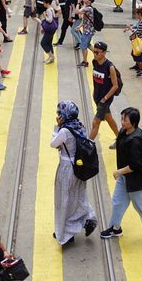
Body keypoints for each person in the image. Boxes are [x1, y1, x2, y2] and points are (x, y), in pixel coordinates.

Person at [99, 108, 142, 242]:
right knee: (118, 201)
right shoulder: (125, 132)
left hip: (134, 179)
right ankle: (115, 227)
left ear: (133, 123)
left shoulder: (136, 141)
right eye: (122, 118)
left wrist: (119, 172)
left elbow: (135, 165)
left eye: (125, 119)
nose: (122, 121)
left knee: (141, 204)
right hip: (126, 177)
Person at [51, 101, 98, 244]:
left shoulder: (64, 130)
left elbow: (53, 143)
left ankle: (66, 233)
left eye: (60, 113)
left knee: (64, 199)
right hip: (79, 167)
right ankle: (88, 217)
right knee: (78, 196)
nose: (58, 115)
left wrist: (57, 127)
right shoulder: (79, 126)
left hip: (67, 168)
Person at [88, 42, 120, 145]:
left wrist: (105, 98)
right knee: (109, 118)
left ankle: (87, 145)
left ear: (104, 53)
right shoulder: (95, 62)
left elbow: (115, 86)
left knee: (95, 122)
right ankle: (120, 139)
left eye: (97, 52)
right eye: (94, 52)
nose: (95, 54)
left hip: (104, 100)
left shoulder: (110, 67)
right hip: (97, 97)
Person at [76, 0, 97, 67]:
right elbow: (85, 19)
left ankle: (85, 62)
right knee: (88, 45)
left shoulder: (88, 8)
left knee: (83, 46)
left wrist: (78, 2)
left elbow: (77, 12)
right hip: (89, 30)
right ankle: (98, 54)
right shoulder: (87, 8)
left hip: (88, 31)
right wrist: (80, 26)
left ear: (89, 1)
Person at [39, 0, 58, 64]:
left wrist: (45, 16)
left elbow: (50, 20)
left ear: (47, 3)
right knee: (49, 43)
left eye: (44, 3)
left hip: (49, 29)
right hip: (52, 28)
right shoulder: (52, 9)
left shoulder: (48, 10)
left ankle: (51, 56)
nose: (43, 4)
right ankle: (51, 57)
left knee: (43, 43)